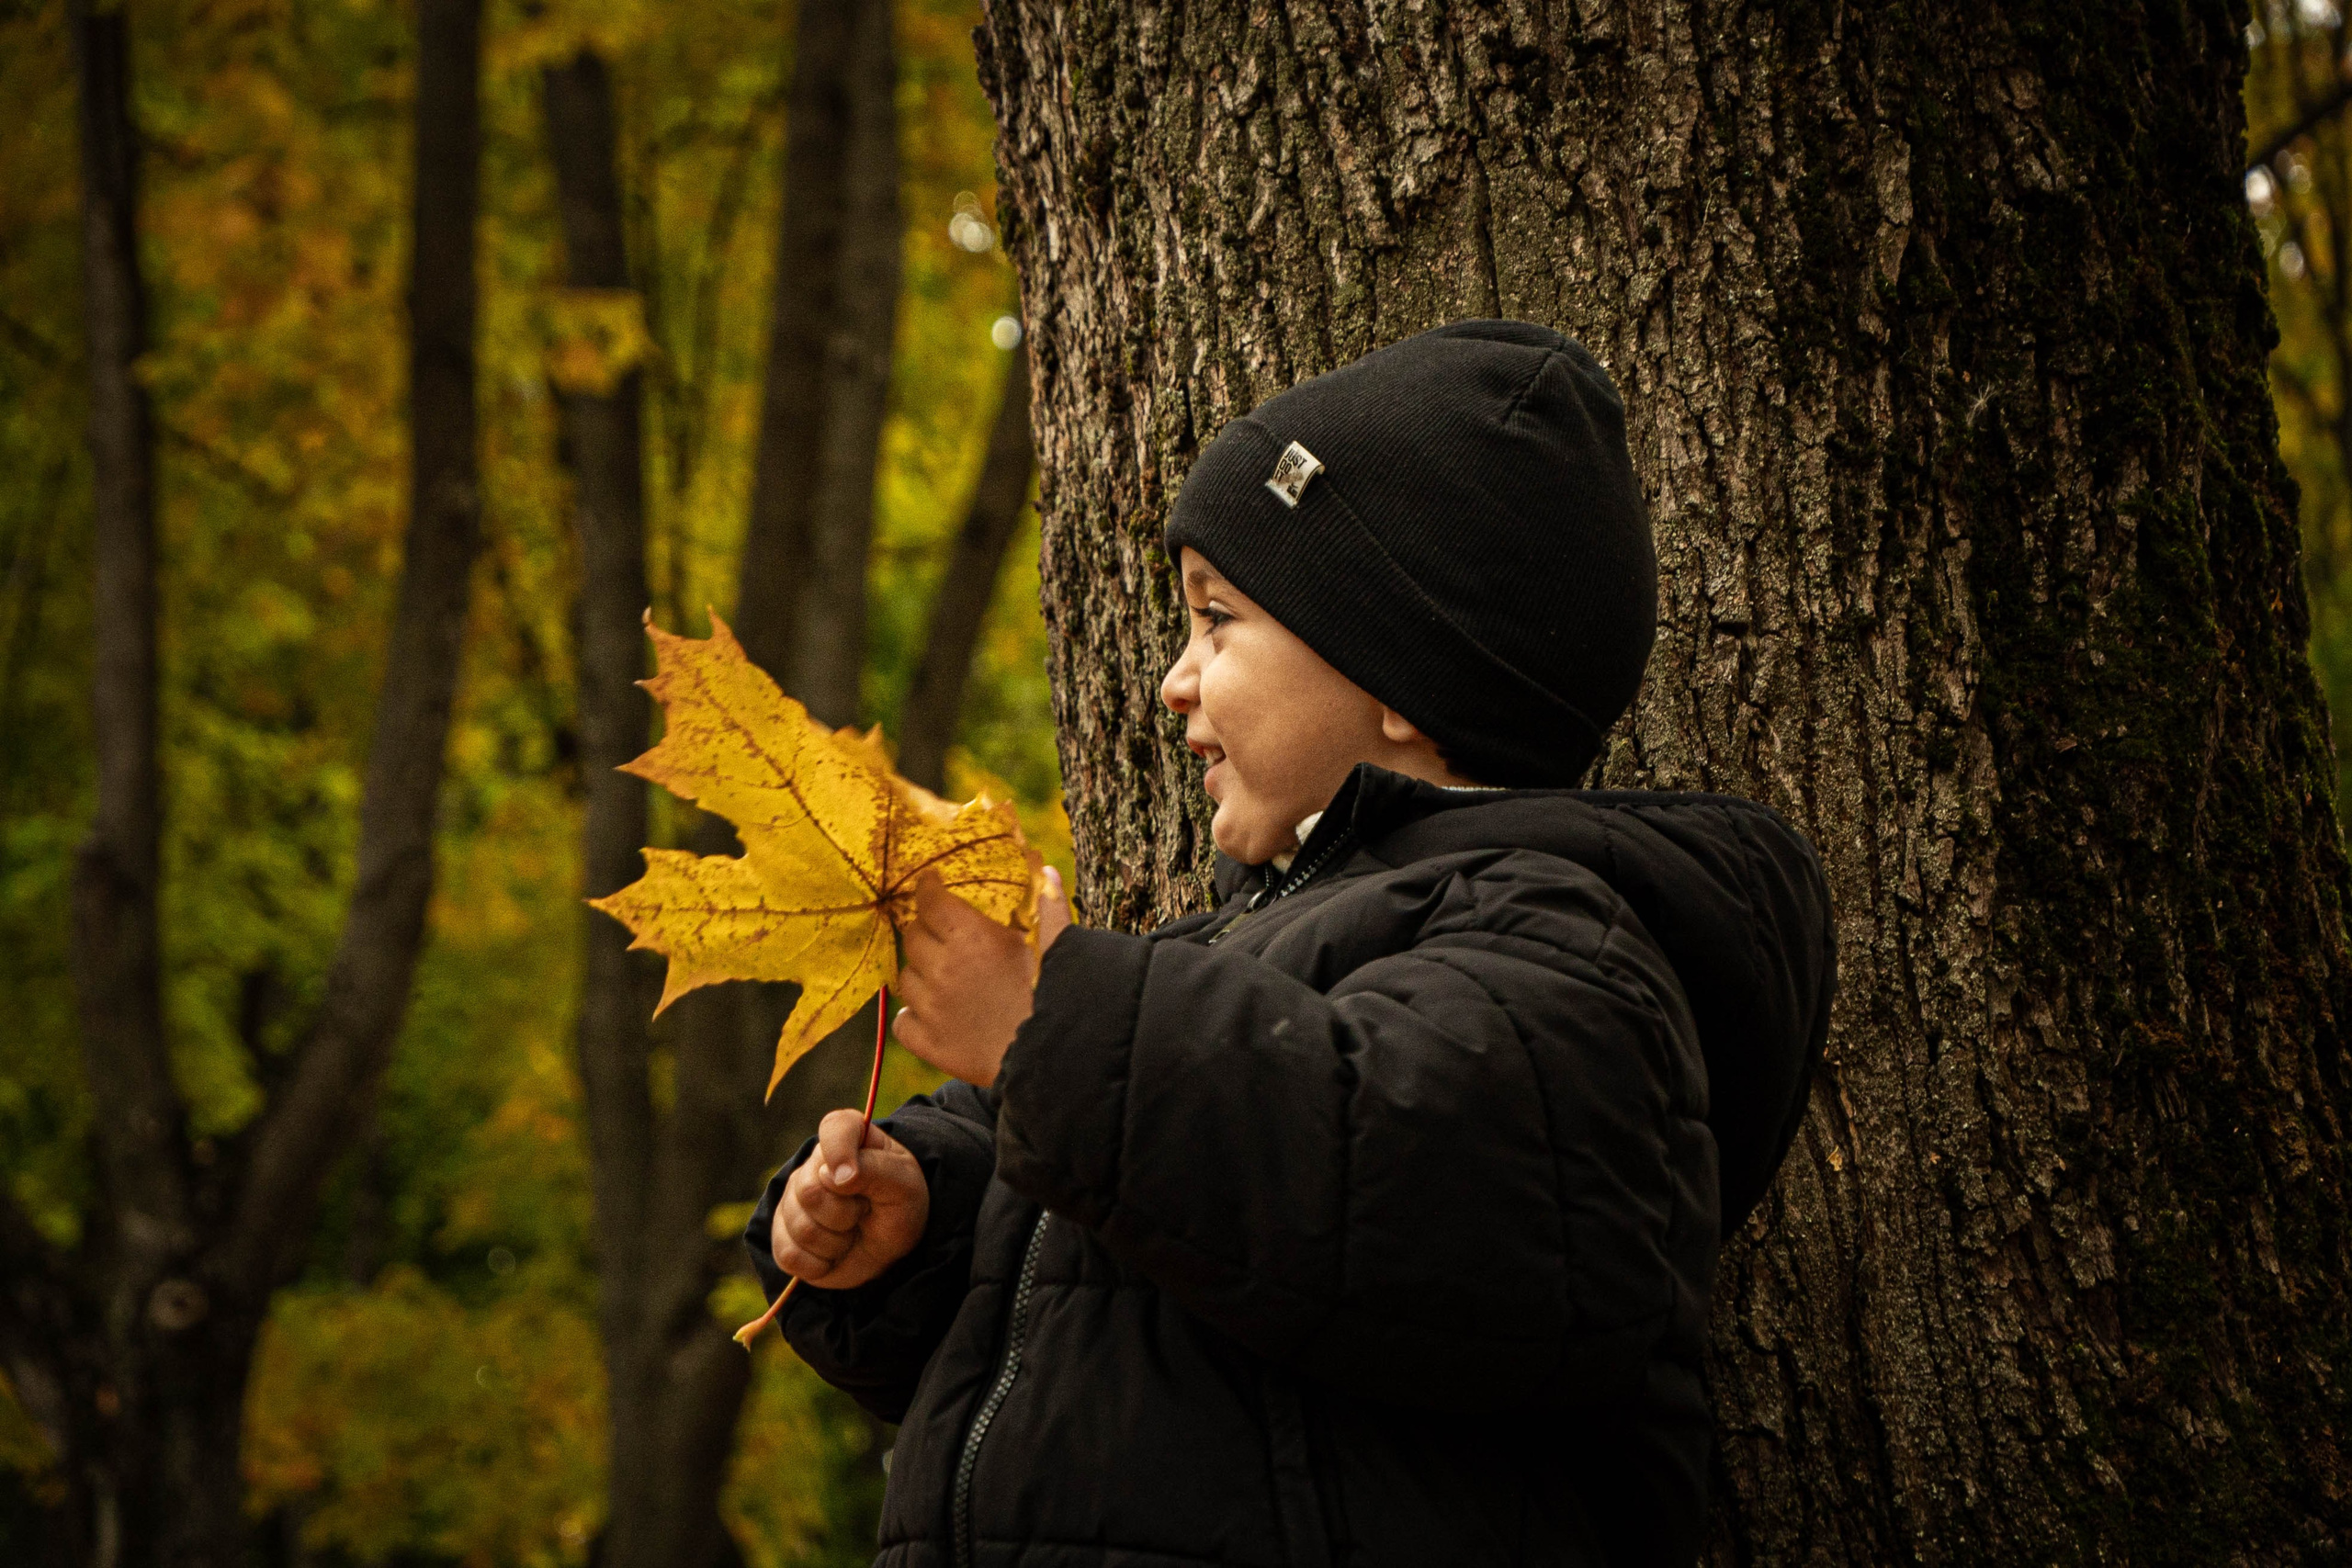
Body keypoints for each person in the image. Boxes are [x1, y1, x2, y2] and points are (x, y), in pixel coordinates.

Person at [744, 319, 1838, 1568]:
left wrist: (1054, 1032)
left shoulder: (1568, 948)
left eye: (1219, 621)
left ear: (1399, 678)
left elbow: (1401, 1179)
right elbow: (1098, 1253)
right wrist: (918, 1214)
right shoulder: (1223, 973)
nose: (1173, 679)